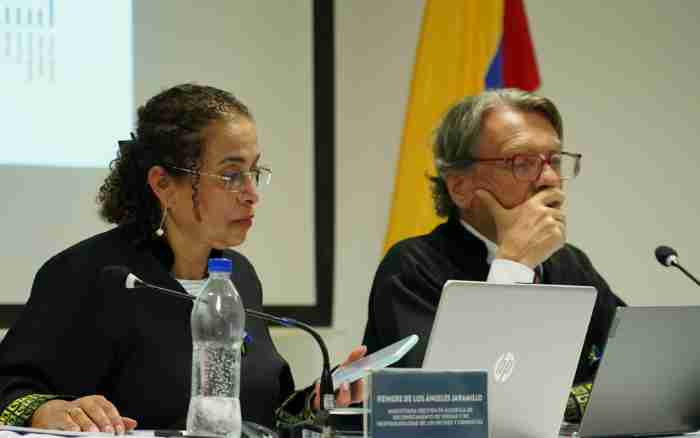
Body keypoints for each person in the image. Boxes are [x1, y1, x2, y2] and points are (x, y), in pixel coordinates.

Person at [0, 83, 365, 433]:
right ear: (163, 184)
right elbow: (9, 388)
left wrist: (314, 402)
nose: (251, 193)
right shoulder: (90, 274)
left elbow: (258, 413)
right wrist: (46, 410)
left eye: (254, 172)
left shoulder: (239, 278)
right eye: (231, 175)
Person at [362, 88, 625, 420]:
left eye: (555, 161)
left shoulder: (570, 263)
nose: (550, 179)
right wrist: (514, 266)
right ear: (460, 186)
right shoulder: (411, 267)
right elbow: (446, 406)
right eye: (522, 162)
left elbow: (630, 364)